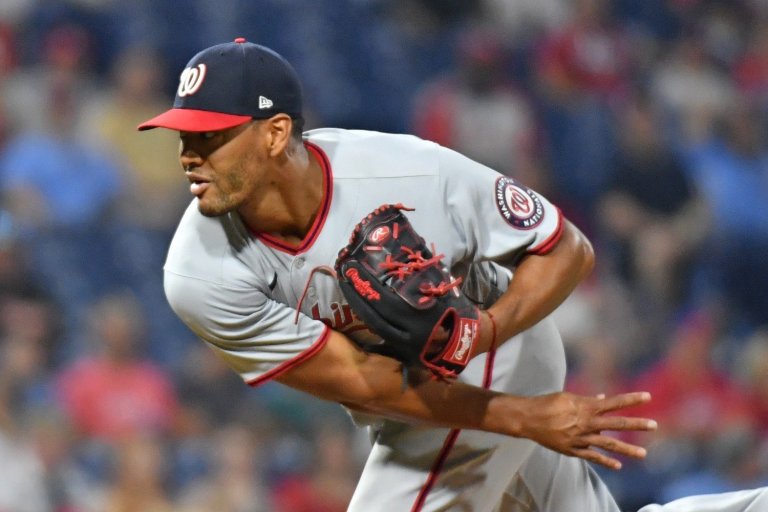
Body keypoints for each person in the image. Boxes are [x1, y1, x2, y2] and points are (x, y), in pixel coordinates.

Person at [138, 39, 768, 511]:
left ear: (276, 134)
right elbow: (365, 383)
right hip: (410, 392)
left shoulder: (402, 170)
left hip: (500, 346)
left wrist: (484, 333)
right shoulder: (200, 274)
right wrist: (525, 419)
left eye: (211, 137)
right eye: (181, 136)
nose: (188, 155)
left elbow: (565, 248)